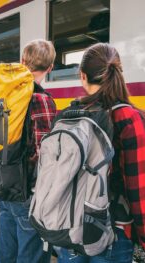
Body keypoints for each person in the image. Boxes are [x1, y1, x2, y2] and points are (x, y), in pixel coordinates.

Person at [58, 43, 145, 262]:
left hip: (69, 224)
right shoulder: (128, 117)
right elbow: (138, 188)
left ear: (82, 76)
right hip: (112, 229)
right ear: (119, 73)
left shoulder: (68, 115)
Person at [0, 39, 56, 263]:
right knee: (31, 256)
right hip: (28, 192)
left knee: (7, 254)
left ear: (22, 61)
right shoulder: (41, 99)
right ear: (50, 68)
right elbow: (45, 154)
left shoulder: (5, 95)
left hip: (4, 185)